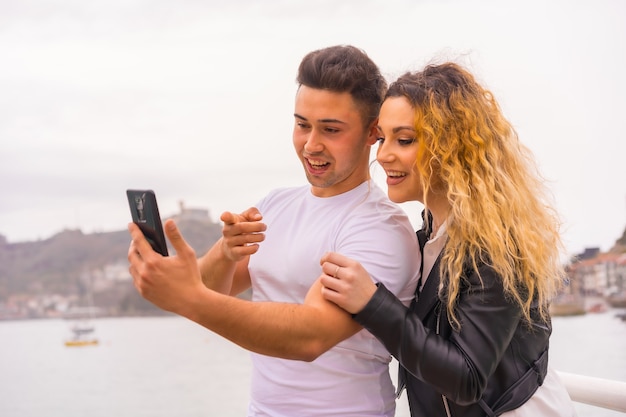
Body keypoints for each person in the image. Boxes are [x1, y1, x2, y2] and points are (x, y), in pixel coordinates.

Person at [127, 45, 420, 417]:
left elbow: (310, 336)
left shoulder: (380, 228)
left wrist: (187, 298)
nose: (311, 144)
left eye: (330, 130)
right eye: (302, 125)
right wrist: (222, 253)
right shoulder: (276, 205)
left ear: (372, 133)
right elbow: (210, 291)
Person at [320, 63, 576, 416]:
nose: (382, 155)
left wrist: (372, 303)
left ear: (452, 147)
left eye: (404, 139)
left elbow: (466, 378)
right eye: (382, 137)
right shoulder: (428, 237)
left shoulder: (496, 245)